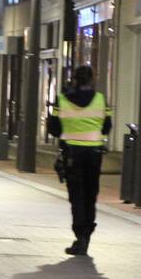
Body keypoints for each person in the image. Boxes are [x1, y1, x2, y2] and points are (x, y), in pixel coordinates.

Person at [46, 65, 112, 256]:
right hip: (94, 154)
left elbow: (54, 129)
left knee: (77, 197)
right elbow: (107, 127)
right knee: (91, 196)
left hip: (72, 154)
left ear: (74, 79)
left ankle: (80, 237)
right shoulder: (101, 100)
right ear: (92, 79)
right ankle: (87, 235)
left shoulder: (63, 99)